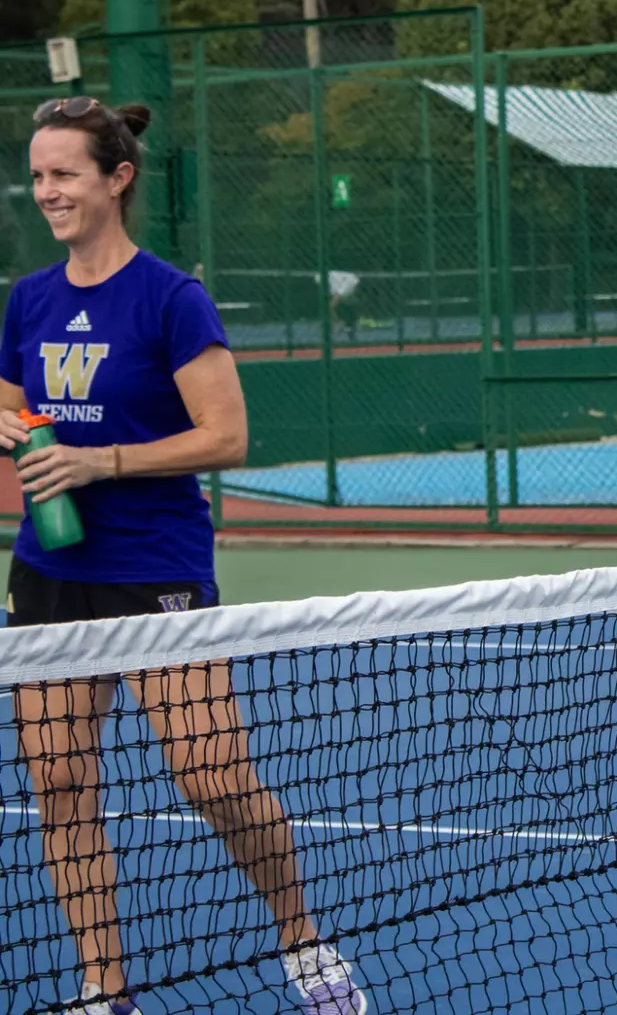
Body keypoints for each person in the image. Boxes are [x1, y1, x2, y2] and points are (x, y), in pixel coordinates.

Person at [3, 96, 367, 1015]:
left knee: (213, 778)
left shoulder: (172, 298)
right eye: (38, 175)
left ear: (117, 179)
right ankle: (104, 987)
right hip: (50, 571)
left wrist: (101, 460)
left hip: (157, 570)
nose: (47, 191)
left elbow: (225, 436)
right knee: (60, 782)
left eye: (64, 173)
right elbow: (9, 401)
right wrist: (15, 429)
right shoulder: (30, 299)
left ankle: (303, 941)